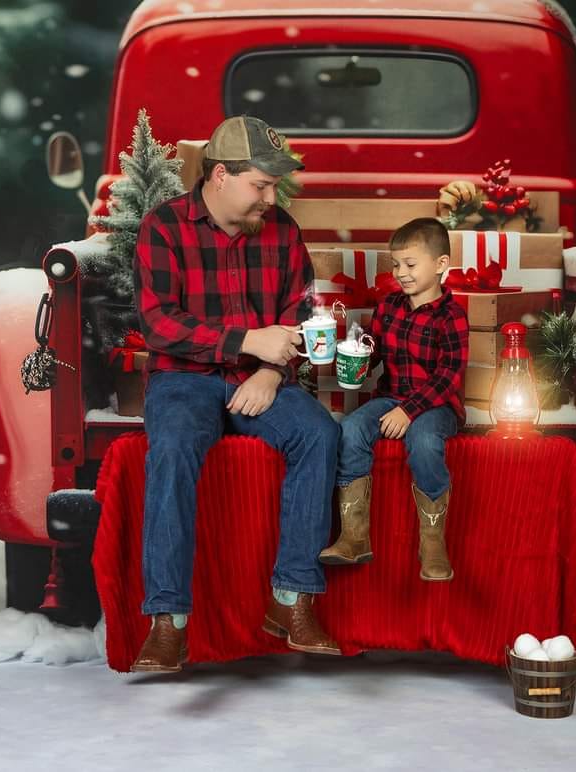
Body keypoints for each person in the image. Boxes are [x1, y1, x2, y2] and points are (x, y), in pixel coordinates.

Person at [130, 115, 342, 673]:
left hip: (261, 378)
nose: (271, 199)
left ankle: (291, 600)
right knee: (172, 448)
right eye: (261, 185)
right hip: (183, 379)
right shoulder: (165, 227)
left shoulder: (282, 231)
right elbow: (158, 324)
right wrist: (246, 340)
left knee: (319, 434)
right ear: (220, 176)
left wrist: (271, 371)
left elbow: (300, 314)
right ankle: (168, 622)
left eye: (274, 187)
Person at [320, 218, 470, 581]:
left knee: (424, 441)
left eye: (411, 265)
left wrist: (410, 411)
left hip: (436, 405)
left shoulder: (452, 317)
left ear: (440, 265)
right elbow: (374, 351)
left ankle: (432, 542)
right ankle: (354, 535)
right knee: (352, 429)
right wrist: (355, 359)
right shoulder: (389, 307)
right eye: (396, 264)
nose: (401, 273)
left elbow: (448, 376)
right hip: (393, 398)